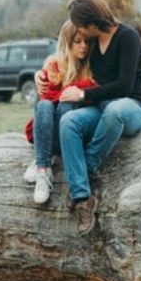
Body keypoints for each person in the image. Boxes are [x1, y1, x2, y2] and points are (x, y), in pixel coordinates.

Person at [56, 0, 141, 236]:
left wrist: (83, 96)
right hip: (102, 108)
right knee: (69, 122)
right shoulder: (93, 45)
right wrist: (41, 75)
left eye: (79, 25)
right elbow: (65, 59)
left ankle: (83, 172)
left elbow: (124, 86)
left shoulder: (128, 37)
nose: (79, 32)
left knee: (114, 109)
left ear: (90, 23)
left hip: (132, 108)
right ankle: (82, 198)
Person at [24, 20, 97, 205]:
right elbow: (46, 94)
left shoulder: (92, 66)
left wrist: (72, 91)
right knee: (44, 105)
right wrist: (40, 77)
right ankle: (43, 169)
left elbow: (94, 90)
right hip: (48, 129)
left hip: (71, 137)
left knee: (66, 103)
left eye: (87, 42)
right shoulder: (54, 64)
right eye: (78, 41)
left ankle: (43, 157)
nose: (83, 46)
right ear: (67, 42)